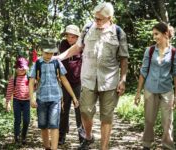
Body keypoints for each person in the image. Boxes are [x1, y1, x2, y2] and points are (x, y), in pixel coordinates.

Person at [55, 2, 129, 150]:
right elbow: (77, 47)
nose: (97, 21)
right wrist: (58, 58)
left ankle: (104, 147)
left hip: (109, 81)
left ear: (110, 17)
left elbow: (124, 58)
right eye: (95, 18)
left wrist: (123, 80)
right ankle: (88, 136)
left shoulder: (118, 32)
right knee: (85, 111)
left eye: (100, 19)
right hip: (88, 79)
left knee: (106, 116)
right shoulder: (88, 28)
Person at [134, 22, 176, 150]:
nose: (154, 37)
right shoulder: (149, 51)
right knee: (149, 121)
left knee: (167, 122)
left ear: (165, 34)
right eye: (153, 34)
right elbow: (143, 72)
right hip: (150, 89)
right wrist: (138, 93)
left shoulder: (175, 52)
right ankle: (146, 145)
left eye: (157, 34)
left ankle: (167, 146)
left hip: (167, 91)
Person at [28, 38, 79, 150]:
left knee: (54, 125)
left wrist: (74, 96)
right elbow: (31, 81)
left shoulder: (57, 63)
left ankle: (54, 148)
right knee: (43, 126)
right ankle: (47, 147)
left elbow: (64, 80)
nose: (49, 55)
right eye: (47, 53)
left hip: (55, 99)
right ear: (42, 51)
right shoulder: (37, 64)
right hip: (41, 99)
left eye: (51, 53)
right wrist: (31, 98)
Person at [58, 24, 84, 145]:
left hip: (78, 82)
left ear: (77, 37)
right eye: (68, 36)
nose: (70, 39)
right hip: (65, 82)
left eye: (73, 37)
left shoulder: (82, 45)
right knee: (64, 109)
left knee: (79, 109)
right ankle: (61, 135)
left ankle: (82, 137)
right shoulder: (63, 45)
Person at [5, 57, 30, 145]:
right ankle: (16, 137)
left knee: (26, 120)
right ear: (16, 69)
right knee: (17, 120)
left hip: (27, 102)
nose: (22, 70)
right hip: (17, 101)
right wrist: (7, 102)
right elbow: (9, 90)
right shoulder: (13, 79)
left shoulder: (29, 78)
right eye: (20, 69)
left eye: (23, 69)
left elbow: (34, 88)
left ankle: (23, 136)